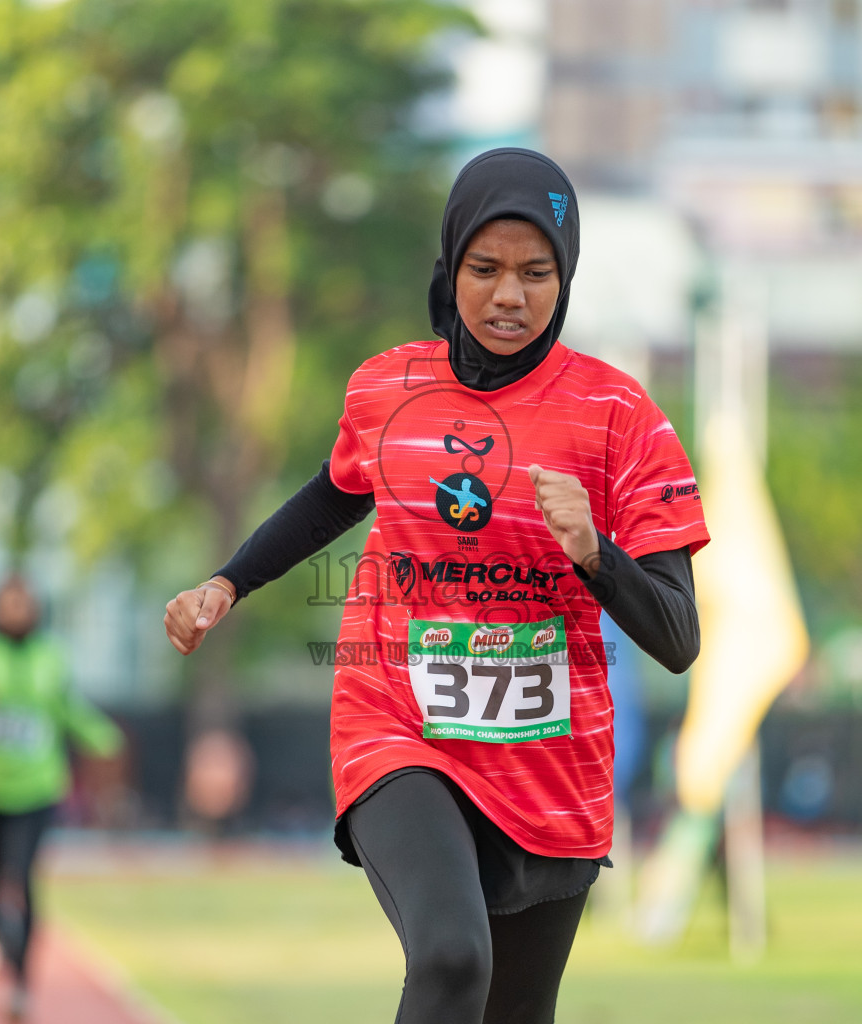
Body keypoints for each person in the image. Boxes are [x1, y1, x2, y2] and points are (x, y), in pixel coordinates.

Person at [164, 147, 709, 1023]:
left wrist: (595, 551)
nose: (508, 295)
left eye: (536, 273)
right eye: (484, 269)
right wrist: (228, 583)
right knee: (454, 959)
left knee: (512, 1011)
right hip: (398, 722)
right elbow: (330, 498)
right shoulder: (389, 387)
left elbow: (679, 640)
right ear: (449, 266)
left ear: (565, 279)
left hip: (550, 761)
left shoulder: (621, 420)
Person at [0, 575, 123, 1020]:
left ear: (36, 608)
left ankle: (21, 984)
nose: (16, 611)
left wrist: (103, 738)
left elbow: (68, 707)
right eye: (7, 603)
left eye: (24, 603)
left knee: (23, 873)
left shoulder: (51, 655)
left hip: (36, 788)